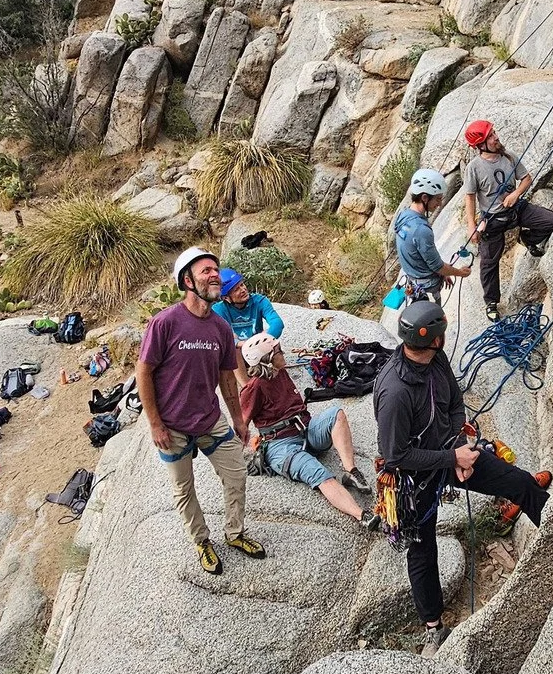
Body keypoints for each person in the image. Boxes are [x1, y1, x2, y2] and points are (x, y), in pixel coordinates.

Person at [372, 301, 553, 657]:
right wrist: (451, 457)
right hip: (414, 478)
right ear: (434, 339)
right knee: (422, 550)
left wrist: (459, 446)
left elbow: (455, 403)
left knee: (519, 482)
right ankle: (434, 628)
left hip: (452, 454)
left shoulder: (434, 360)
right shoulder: (394, 391)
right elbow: (396, 455)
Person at [136, 247, 267, 576]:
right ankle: (202, 541)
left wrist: (239, 419)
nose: (215, 275)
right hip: (172, 426)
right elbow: (144, 372)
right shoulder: (165, 323)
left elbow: (226, 376)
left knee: (236, 474)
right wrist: (154, 424)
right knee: (184, 489)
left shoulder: (221, 329)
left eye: (216, 270)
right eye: (207, 270)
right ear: (187, 280)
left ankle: (235, 533)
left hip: (210, 419)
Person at [239, 333, 381, 531]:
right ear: (267, 359)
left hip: (305, 429)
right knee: (319, 473)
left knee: (336, 414)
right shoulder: (253, 389)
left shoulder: (280, 372)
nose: (283, 353)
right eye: (278, 351)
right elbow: (241, 424)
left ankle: (350, 472)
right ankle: (361, 515)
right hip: (281, 446)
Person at [462, 120, 553, 322]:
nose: (496, 137)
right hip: (493, 219)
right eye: (490, 136)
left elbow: (526, 178)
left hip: (515, 209)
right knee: (489, 263)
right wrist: (472, 225)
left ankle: (527, 238)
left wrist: (515, 194)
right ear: (480, 145)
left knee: (551, 220)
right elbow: (470, 196)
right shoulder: (474, 168)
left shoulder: (508, 156)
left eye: (494, 133)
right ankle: (491, 302)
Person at [393, 168, 471, 305]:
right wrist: (459, 272)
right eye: (438, 199)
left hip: (412, 280)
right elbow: (437, 266)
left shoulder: (403, 216)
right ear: (424, 198)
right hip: (427, 287)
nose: (439, 204)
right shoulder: (421, 230)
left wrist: (443, 272)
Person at [214, 269, 285, 384]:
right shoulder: (219, 310)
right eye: (236, 289)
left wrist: (263, 338)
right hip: (239, 352)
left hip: (259, 347)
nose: (243, 289)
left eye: (242, 284)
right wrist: (242, 344)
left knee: (275, 343)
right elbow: (221, 337)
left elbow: (277, 323)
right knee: (233, 349)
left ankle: (282, 383)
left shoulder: (259, 301)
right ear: (226, 298)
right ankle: (247, 388)